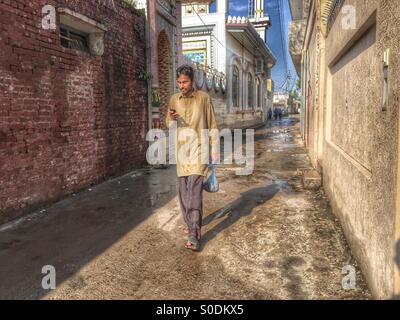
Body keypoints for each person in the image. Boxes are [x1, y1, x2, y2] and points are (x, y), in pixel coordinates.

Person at [165, 64, 219, 251]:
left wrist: (214, 149)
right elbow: (168, 123)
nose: (182, 85)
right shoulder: (174, 99)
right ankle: (192, 226)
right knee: (183, 194)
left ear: (192, 81)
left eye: (185, 82)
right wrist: (171, 118)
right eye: (179, 82)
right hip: (182, 153)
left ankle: (193, 234)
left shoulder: (204, 98)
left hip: (199, 150)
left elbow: (212, 124)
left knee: (194, 193)